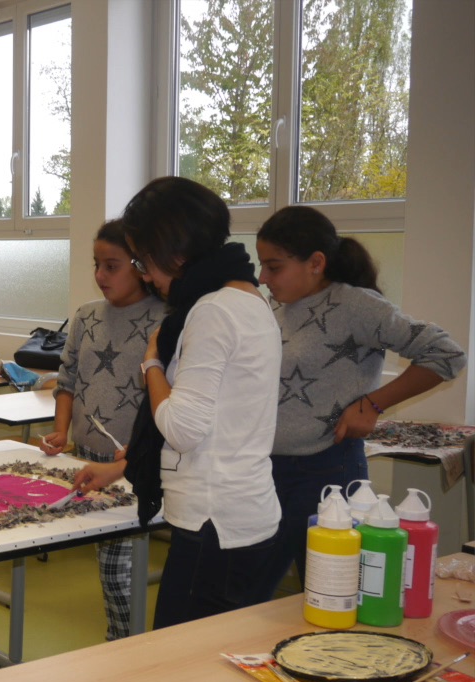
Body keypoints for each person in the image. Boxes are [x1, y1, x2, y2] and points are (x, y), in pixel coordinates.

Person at [72, 176, 282, 629]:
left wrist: (152, 364)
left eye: (145, 261)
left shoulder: (211, 311)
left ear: (176, 253)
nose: (147, 275)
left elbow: (184, 429)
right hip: (244, 514)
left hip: (214, 523)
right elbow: (225, 420)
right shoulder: (251, 300)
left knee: (183, 669)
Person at [254, 205, 466, 594]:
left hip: (326, 471)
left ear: (316, 262)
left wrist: (373, 404)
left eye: (274, 266)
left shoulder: (355, 305)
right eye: (262, 266)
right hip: (267, 470)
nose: (263, 277)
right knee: (250, 595)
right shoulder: (276, 306)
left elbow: (447, 354)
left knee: (333, 593)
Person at [40, 220, 165, 641]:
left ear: (141, 266)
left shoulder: (167, 319)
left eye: (112, 266)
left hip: (133, 464)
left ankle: (123, 646)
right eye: (97, 265)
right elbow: (68, 378)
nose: (100, 275)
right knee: (110, 565)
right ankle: (123, 642)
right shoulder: (86, 316)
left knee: (117, 568)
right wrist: (61, 432)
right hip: (88, 459)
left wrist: (133, 462)